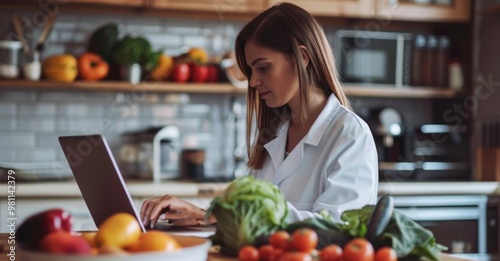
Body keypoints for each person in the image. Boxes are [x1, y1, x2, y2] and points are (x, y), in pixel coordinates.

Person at [140, 2, 378, 228]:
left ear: (302, 58)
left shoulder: (350, 135)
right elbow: (247, 211)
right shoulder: (276, 131)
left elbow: (338, 228)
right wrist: (199, 213)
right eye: (251, 71)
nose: (253, 81)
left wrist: (214, 217)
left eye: (263, 67)